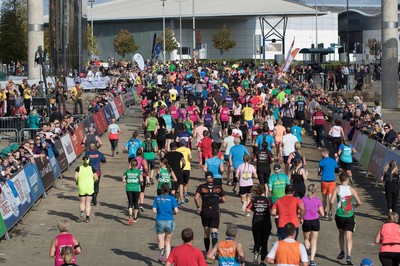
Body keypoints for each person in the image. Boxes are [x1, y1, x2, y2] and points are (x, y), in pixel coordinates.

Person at [329, 172, 362, 266]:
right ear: (347, 179)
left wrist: (331, 207)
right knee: (349, 237)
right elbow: (359, 202)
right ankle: (349, 256)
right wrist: (354, 207)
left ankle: (342, 251)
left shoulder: (336, 188)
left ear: (340, 179)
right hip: (349, 215)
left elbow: (331, 201)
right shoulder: (352, 189)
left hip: (339, 215)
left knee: (341, 233)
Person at [194, 171, 227, 253]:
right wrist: (216, 202)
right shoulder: (218, 187)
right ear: (213, 178)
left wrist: (198, 207)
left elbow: (196, 197)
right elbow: (224, 200)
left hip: (205, 210)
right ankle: (214, 251)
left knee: (206, 232)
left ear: (206, 178)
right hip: (215, 210)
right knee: (214, 231)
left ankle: (207, 251)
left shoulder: (201, 187)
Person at [152, 183, 179, 263]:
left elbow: (154, 211)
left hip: (160, 220)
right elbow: (176, 211)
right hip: (169, 220)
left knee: (161, 241)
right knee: (167, 241)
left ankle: (161, 250)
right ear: (168, 190)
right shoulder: (172, 198)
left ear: (161, 190)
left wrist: (159, 212)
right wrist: (171, 212)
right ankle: (167, 260)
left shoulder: (157, 199)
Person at [246, 184, 272, 265]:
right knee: (264, 243)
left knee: (257, 242)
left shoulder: (254, 199)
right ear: (264, 191)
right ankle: (263, 261)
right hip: (266, 223)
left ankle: (255, 258)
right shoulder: (268, 200)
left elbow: (247, 210)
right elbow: (271, 211)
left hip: (256, 223)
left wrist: (256, 209)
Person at [302, 184, 325, 266]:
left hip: (306, 221)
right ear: (315, 191)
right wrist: (318, 211)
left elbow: (301, 210)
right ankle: (312, 260)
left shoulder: (303, 200)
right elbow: (322, 214)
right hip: (315, 221)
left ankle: (307, 249)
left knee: (306, 238)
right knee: (314, 241)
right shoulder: (318, 201)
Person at [74, 156, 98, 223]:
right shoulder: (92, 168)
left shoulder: (78, 168)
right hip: (89, 187)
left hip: (82, 187)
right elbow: (96, 178)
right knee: (88, 203)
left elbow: (75, 177)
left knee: (82, 202)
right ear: (88, 161)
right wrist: (93, 180)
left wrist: (77, 182)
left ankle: (82, 212)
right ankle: (87, 217)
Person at [318, 148, 339, 221]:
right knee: (330, 198)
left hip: (324, 181)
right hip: (332, 181)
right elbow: (337, 170)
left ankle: (324, 212)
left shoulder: (322, 161)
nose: (320, 155)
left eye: (321, 153)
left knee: (324, 198)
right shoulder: (333, 161)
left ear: (323, 153)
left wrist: (319, 174)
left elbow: (320, 170)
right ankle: (330, 210)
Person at [123, 159, 143, 224]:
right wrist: (140, 183)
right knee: (136, 202)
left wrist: (128, 181)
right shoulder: (138, 172)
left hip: (128, 188)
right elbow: (141, 180)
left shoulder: (127, 172)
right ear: (137, 165)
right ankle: (135, 217)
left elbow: (123, 180)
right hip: (136, 188)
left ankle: (130, 215)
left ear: (131, 164)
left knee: (130, 202)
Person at [176, 139, 192, 204]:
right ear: (185, 144)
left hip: (180, 168)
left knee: (179, 183)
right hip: (187, 168)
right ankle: (185, 193)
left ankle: (180, 196)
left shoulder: (177, 150)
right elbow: (190, 157)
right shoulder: (188, 149)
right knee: (185, 182)